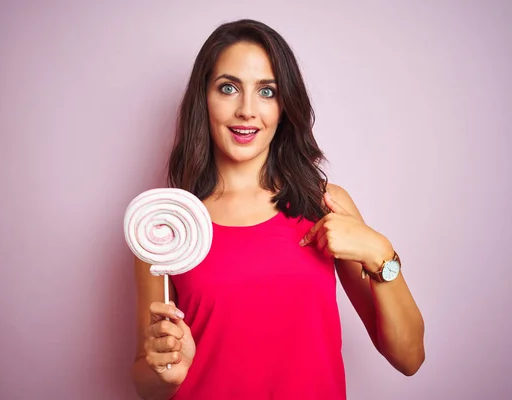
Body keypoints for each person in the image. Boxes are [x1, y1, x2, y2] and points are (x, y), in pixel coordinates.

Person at [131, 19, 425, 400]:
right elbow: (145, 382)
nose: (247, 110)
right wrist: (166, 373)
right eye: (228, 88)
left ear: (285, 106)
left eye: (266, 91)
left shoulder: (325, 205)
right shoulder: (166, 224)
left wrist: (380, 252)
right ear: (203, 98)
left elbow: (409, 357)